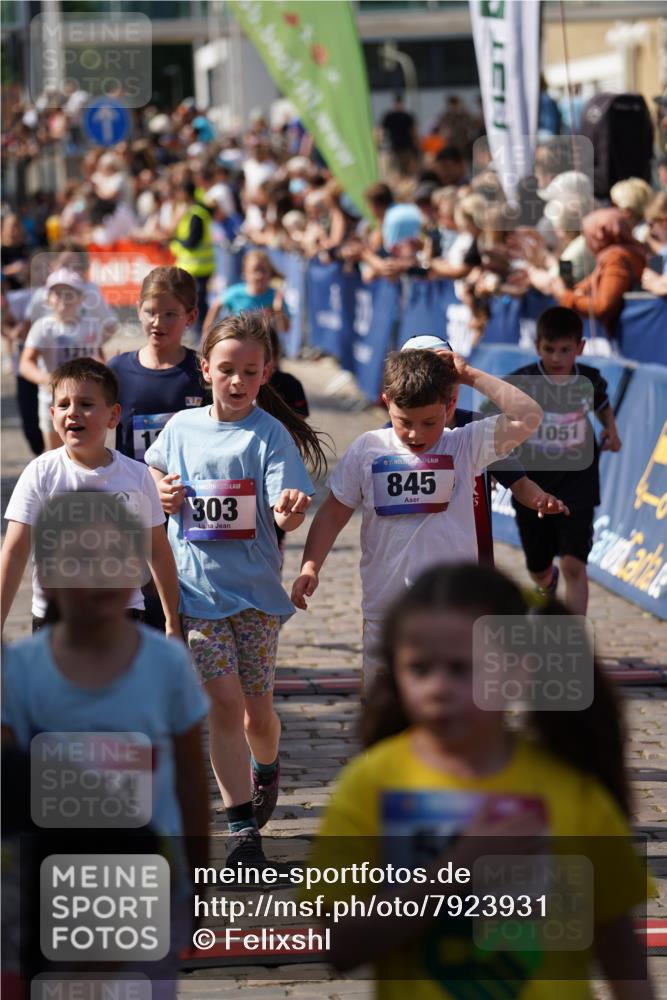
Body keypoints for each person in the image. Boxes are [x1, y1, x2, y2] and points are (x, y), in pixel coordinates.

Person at [307, 563, 652, 999]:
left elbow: (618, 943)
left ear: (517, 672)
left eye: (462, 668)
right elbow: (342, 946)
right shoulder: (371, 784)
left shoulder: (570, 790)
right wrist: (454, 871)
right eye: (419, 668)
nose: (438, 688)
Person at [1, 492, 210, 998]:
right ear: (47, 576)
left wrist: (197, 874)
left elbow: (189, 774)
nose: (97, 576)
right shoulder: (23, 671)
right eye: (79, 561)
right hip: (51, 883)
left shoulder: (166, 664)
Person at [144, 312, 326, 868]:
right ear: (205, 370)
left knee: (257, 716)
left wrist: (288, 511)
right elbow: (147, 474)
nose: (238, 381)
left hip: (254, 599)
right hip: (196, 596)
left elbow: (286, 502)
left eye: (250, 371)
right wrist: (161, 490)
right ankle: (243, 829)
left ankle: (265, 766)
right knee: (222, 706)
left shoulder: (269, 433)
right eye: (227, 370)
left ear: (266, 372)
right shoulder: (180, 429)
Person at [291, 347, 544, 688]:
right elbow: (334, 512)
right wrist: (310, 565)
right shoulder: (368, 448)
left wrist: (469, 376)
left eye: (429, 422)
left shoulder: (465, 445)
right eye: (404, 422)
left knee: (451, 708)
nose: (416, 435)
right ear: (386, 402)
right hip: (387, 609)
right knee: (385, 711)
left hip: (453, 609)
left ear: (450, 406)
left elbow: (529, 415)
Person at [0, 358, 182, 636]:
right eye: (63, 405)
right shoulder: (41, 472)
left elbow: (157, 551)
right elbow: (14, 552)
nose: (73, 412)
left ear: (113, 415)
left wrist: (172, 621)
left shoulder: (137, 475)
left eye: (86, 404)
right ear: (52, 414)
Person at [500, 307, 622, 615]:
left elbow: (603, 406)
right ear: (537, 345)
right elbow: (500, 429)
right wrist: (495, 469)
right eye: (549, 349)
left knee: (573, 564)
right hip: (532, 484)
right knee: (538, 567)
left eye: (565, 350)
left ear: (580, 347)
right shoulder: (522, 382)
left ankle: (574, 641)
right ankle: (546, 579)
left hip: (578, 482)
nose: (557, 357)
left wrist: (611, 430)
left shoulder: (589, 379)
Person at [109, 266, 205, 462]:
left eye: (170, 314)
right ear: (138, 310)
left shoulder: (204, 371)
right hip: (133, 489)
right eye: (150, 312)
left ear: (191, 316)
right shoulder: (118, 370)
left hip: (187, 489)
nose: (158, 322)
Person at [19, 268, 106, 450]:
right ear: (48, 299)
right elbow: (25, 363)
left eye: (69, 293)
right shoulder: (42, 328)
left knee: (85, 452)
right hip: (52, 402)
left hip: (85, 401)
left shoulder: (90, 326)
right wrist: (48, 380)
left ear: (81, 298)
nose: (62, 298)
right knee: (56, 455)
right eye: (56, 293)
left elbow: (98, 357)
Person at [553, 208, 647, 344]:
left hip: (628, 340)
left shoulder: (616, 258)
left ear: (599, 236)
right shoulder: (625, 252)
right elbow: (590, 283)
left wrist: (565, 297)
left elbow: (603, 306)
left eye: (587, 235)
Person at [202, 249, 289, 337]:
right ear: (245, 273)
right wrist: (206, 333)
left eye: (264, 270)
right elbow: (216, 305)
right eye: (255, 270)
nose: (260, 275)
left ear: (270, 272)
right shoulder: (236, 293)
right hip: (239, 343)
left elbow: (285, 329)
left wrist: (279, 312)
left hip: (265, 345)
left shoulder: (275, 295)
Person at [168, 180, 215, 332]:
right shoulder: (191, 213)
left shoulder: (196, 215)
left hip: (198, 268)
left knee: (197, 304)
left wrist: (175, 240)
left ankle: (202, 334)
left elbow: (191, 242)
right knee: (193, 303)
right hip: (192, 267)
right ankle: (199, 333)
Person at [379, 94, 419, 178]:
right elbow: (382, 130)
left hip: (403, 145)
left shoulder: (404, 116)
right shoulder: (393, 116)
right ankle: (402, 179)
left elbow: (413, 131)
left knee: (403, 166)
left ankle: (403, 179)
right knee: (399, 167)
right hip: (396, 145)